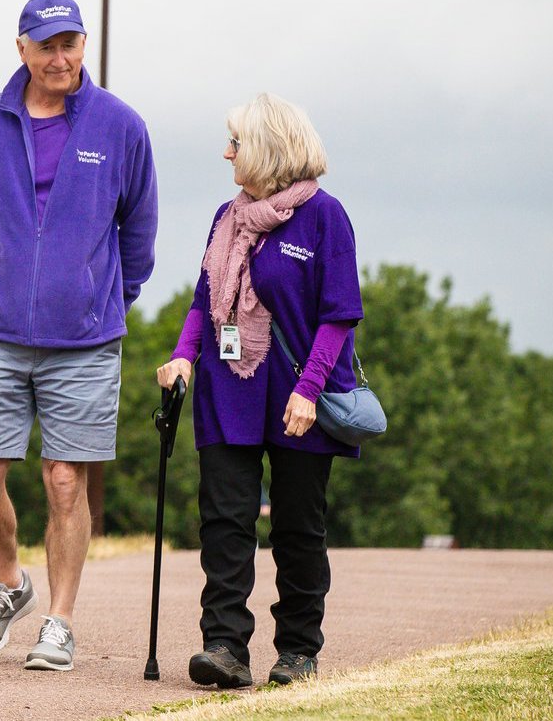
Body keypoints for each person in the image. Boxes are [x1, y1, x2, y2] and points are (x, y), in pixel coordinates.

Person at [0, 0, 158, 672]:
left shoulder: (120, 126)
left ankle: (59, 623)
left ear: (82, 46)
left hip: (87, 341)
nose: (59, 57)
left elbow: (140, 232)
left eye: (70, 43)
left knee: (66, 480)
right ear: (22, 50)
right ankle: (11, 583)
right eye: (46, 45)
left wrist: (103, 302)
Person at [157, 93, 360, 689]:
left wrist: (310, 388)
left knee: (298, 528)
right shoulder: (228, 216)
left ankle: (298, 651)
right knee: (225, 521)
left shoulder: (325, 216)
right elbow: (204, 301)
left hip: (301, 397)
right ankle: (224, 646)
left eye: (236, 143)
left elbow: (339, 315)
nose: (227, 153)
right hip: (230, 388)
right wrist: (181, 357)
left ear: (268, 147)